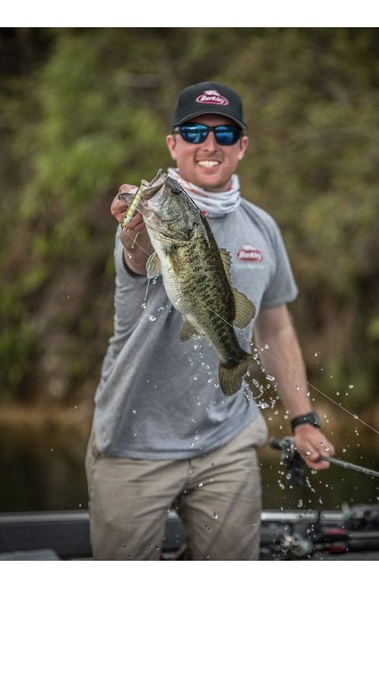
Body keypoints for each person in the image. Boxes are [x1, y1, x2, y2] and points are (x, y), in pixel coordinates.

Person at [85, 81, 334, 560]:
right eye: (195, 132)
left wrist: (303, 419)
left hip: (226, 442)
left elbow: (275, 327)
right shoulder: (147, 222)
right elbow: (136, 256)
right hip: (133, 444)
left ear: (242, 147)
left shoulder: (262, 228)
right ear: (173, 144)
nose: (209, 144)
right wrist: (134, 229)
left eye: (224, 134)